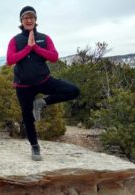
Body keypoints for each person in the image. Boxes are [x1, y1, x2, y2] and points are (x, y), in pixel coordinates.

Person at [6, 6, 80, 161]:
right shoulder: (15, 40)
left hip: (43, 81)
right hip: (23, 86)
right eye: (26, 17)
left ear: (35, 20)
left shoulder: (45, 38)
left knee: (73, 91)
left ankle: (41, 103)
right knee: (28, 118)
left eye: (31, 17)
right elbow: (10, 60)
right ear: (21, 21)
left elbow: (54, 57)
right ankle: (35, 147)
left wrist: (36, 47)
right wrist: (28, 48)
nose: (29, 20)